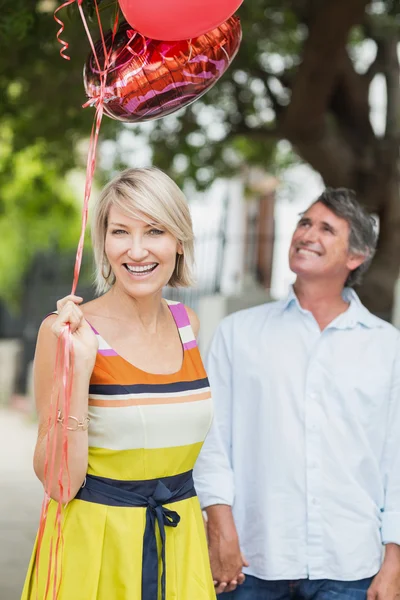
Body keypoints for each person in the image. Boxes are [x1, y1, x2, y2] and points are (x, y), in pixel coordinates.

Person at [193, 188, 400, 600]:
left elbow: (395, 459)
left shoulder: (386, 347)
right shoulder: (239, 333)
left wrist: (394, 561)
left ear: (355, 256)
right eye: (304, 222)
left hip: (351, 566)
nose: (307, 233)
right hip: (252, 562)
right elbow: (211, 440)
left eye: (326, 228)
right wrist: (220, 526)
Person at [22, 167, 217, 600]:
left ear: (179, 241)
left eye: (154, 230)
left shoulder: (189, 325)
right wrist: (79, 371)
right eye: (120, 231)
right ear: (103, 242)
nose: (136, 249)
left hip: (178, 546)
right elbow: (58, 484)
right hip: (93, 551)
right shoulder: (67, 332)